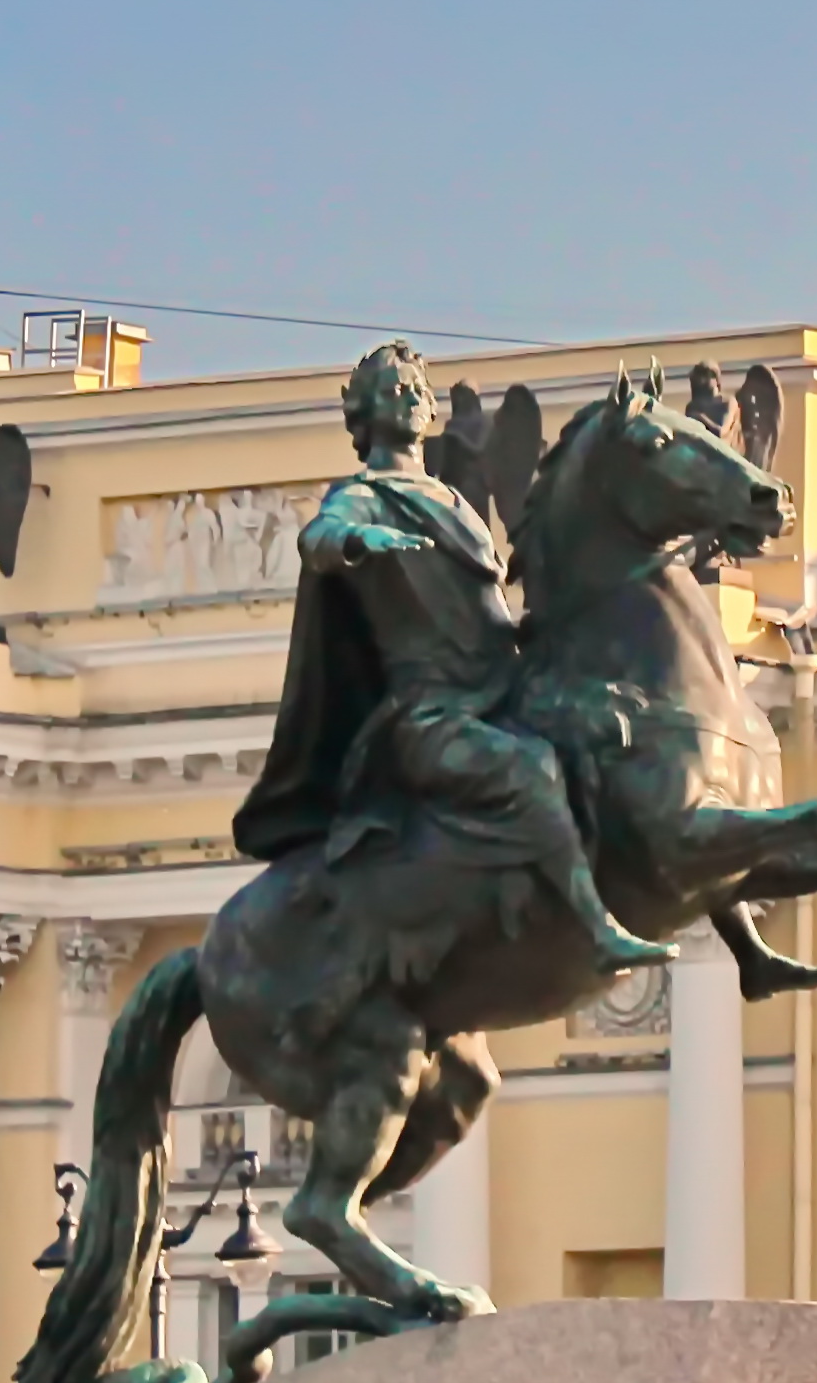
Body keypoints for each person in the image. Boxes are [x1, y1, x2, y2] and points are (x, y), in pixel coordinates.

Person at [233, 342, 669, 973]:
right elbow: (317, 538)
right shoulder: (365, 494)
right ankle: (594, 928)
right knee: (533, 769)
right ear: (365, 412)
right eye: (393, 389)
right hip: (430, 715)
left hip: (496, 689)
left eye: (416, 387)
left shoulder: (454, 500)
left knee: (617, 731)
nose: (410, 396)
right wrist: (359, 538)